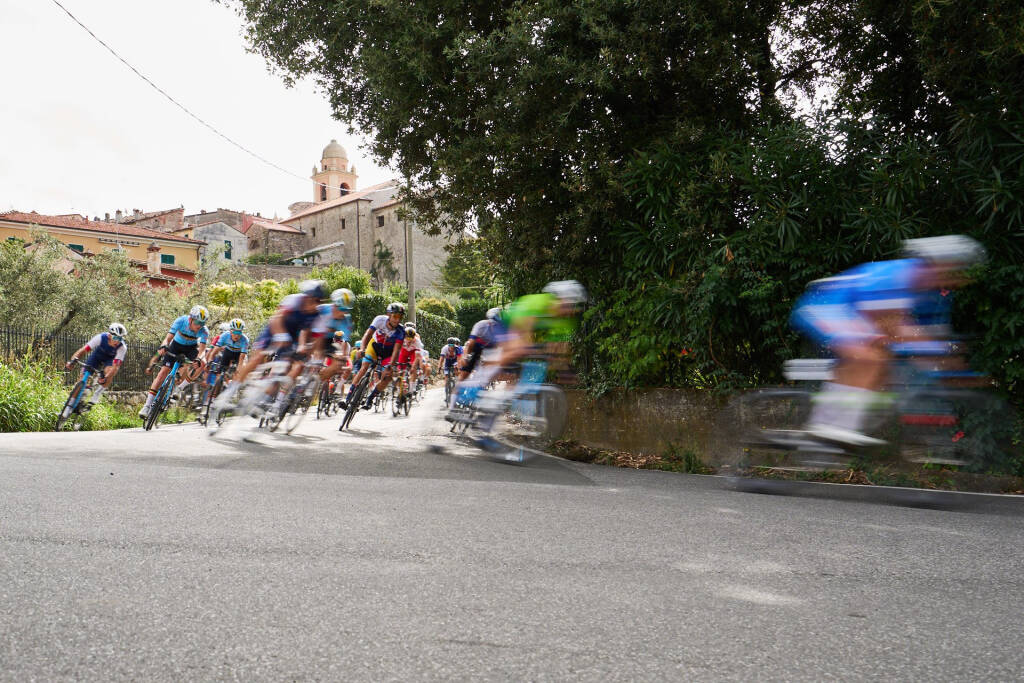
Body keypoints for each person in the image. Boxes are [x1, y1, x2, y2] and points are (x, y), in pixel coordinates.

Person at [789, 234, 986, 446]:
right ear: (939, 264)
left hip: (850, 313)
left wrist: (949, 362)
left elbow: (924, 335)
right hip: (825, 306)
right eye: (953, 270)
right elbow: (893, 326)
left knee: (881, 365)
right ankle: (828, 425)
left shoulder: (930, 292)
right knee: (870, 357)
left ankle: (836, 426)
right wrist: (942, 354)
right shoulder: (898, 274)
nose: (956, 279)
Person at [214, 280, 328, 413]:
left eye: (319, 301)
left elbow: (313, 337)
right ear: (306, 297)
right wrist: (280, 335)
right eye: (314, 300)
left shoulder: (317, 314)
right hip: (274, 329)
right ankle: (228, 393)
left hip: (292, 338)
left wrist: (311, 353)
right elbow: (277, 318)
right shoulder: (294, 300)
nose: (316, 304)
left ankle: (263, 399)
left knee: (282, 371)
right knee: (257, 359)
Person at [139, 306, 210, 419]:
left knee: (203, 363)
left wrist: (199, 359)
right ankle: (147, 406)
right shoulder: (181, 321)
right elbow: (167, 339)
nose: (199, 326)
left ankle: (180, 387)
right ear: (190, 319)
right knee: (163, 373)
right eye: (197, 322)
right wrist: (164, 346)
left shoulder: (204, 331)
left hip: (191, 348)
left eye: (202, 323)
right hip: (176, 346)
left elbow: (202, 351)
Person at [340, 302, 406, 412]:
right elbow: (368, 334)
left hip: (388, 353)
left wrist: (391, 365)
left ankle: (370, 399)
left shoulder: (401, 331)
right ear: (389, 315)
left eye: (400, 317)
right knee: (363, 368)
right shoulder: (380, 320)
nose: (397, 320)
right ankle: (347, 400)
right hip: (374, 346)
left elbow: (397, 350)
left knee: (387, 377)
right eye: (395, 316)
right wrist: (362, 349)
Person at [65, 323, 128, 409]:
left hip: (110, 360)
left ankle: (97, 393)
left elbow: (115, 367)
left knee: (109, 371)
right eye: (116, 338)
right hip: (96, 357)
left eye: (120, 338)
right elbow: (83, 350)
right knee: (82, 378)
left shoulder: (122, 347)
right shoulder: (100, 337)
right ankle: (69, 405)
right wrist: (72, 361)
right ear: (109, 335)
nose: (117, 341)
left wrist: (105, 378)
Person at [317, 288, 355, 392]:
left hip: (329, 340)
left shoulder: (346, 320)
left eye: (346, 310)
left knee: (338, 364)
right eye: (341, 309)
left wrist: (342, 356)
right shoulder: (322, 310)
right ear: (334, 304)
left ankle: (316, 381)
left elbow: (344, 342)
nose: (343, 313)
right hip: (314, 336)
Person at [202, 318, 249, 398]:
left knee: (241, 369)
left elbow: (241, 358)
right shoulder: (225, 335)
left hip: (239, 354)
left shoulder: (245, 340)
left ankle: (234, 388)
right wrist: (209, 361)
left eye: (239, 332)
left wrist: (239, 369)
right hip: (228, 352)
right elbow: (214, 351)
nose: (237, 335)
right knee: (219, 376)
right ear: (230, 331)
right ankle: (213, 397)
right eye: (235, 332)